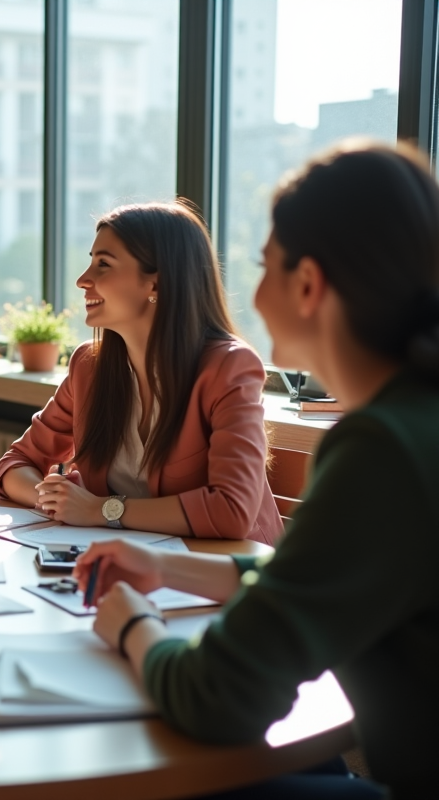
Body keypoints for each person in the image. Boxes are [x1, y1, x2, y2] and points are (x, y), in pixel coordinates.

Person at [74, 142, 439, 799]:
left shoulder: (381, 448)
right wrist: (167, 568)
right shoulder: (417, 420)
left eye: (264, 266)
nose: (254, 292)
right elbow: (310, 579)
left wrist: (130, 623)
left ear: (309, 284)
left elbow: (213, 696)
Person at [0, 201, 281, 545]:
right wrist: (55, 500)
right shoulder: (89, 366)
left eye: (103, 264)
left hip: (220, 567)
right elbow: (16, 463)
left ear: (156, 284)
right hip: (126, 560)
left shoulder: (229, 367)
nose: (83, 280)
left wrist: (100, 510)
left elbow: (232, 511)